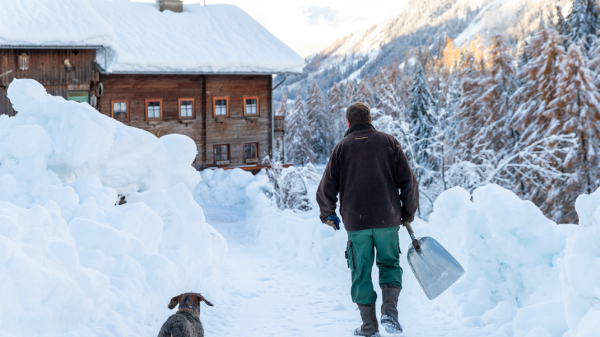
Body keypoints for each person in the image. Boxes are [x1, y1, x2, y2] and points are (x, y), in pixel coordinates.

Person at [316, 103, 419, 337]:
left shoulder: (341, 148)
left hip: (357, 222)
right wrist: (407, 212)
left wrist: (327, 213)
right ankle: (390, 312)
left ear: (348, 123)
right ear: (370, 118)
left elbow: (326, 188)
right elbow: (409, 183)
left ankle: (369, 327)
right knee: (390, 264)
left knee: (360, 271)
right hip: (388, 219)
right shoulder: (389, 142)